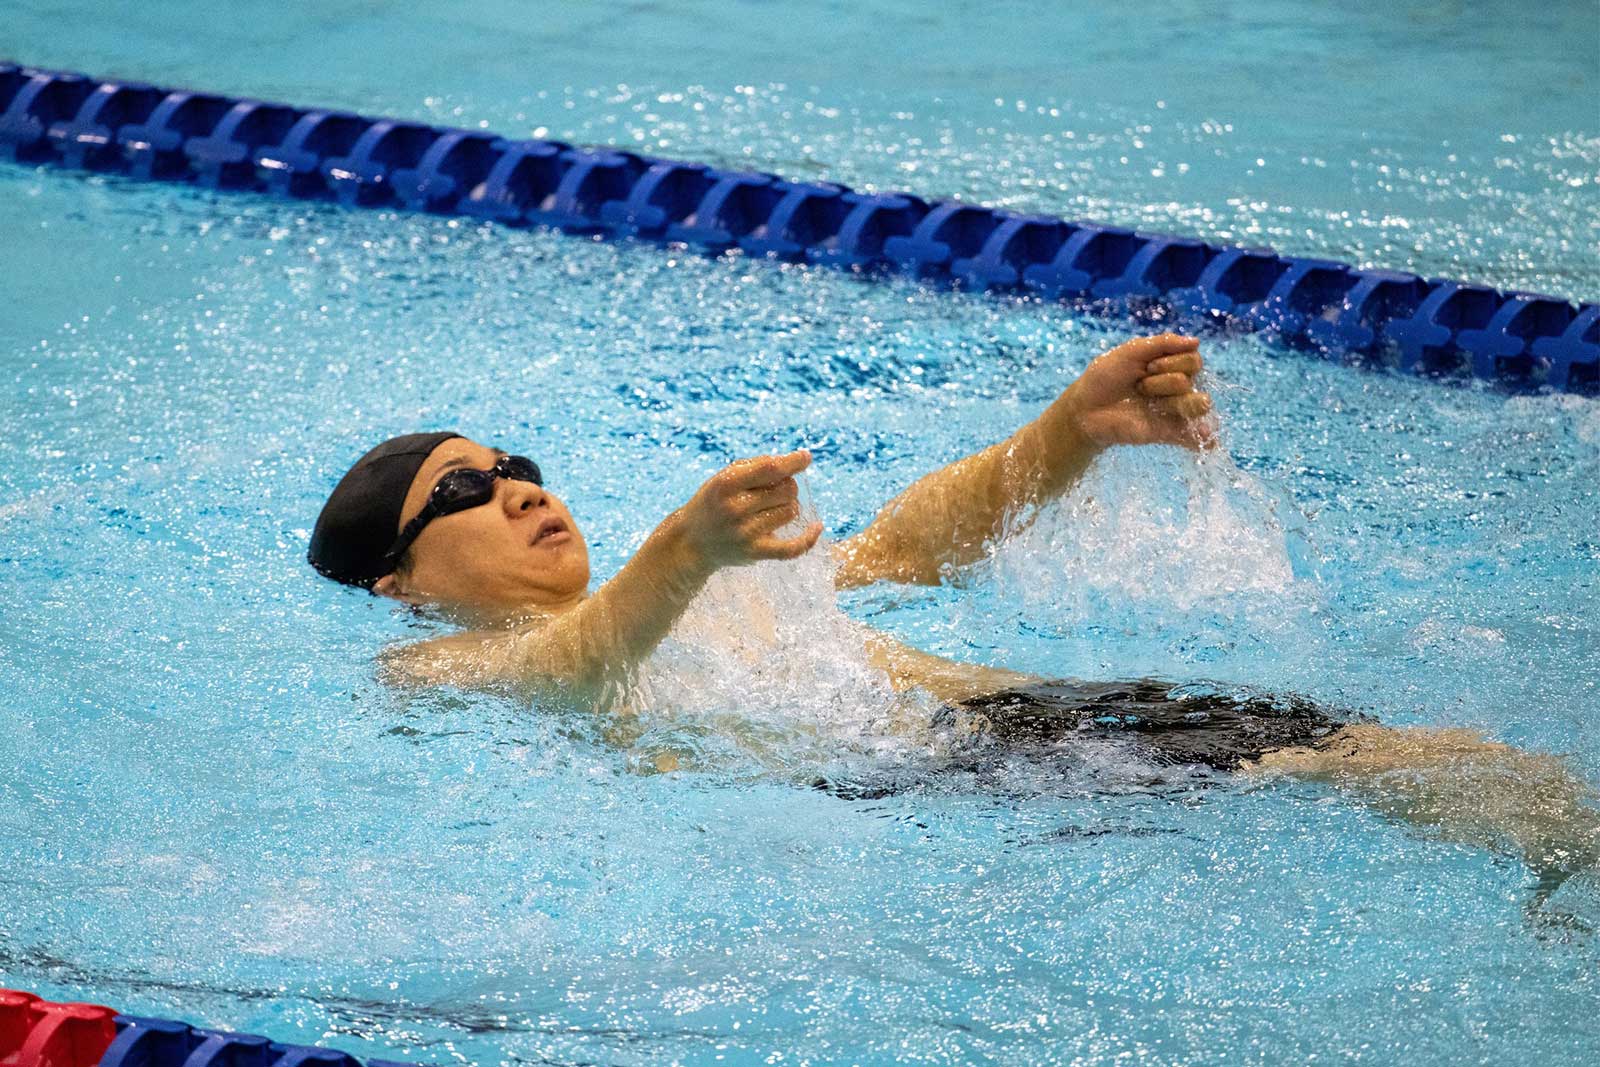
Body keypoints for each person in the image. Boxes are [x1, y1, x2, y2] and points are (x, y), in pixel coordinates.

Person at [308, 333, 1599, 899]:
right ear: (400, 577)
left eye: (520, 464)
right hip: (947, 776)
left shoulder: (708, 567)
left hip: (1035, 731)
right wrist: (678, 554)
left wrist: (1066, 435)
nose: (521, 490)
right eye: (468, 490)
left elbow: (899, 551)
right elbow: (576, 672)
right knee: (1448, 772)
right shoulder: (432, 670)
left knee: (1476, 776)